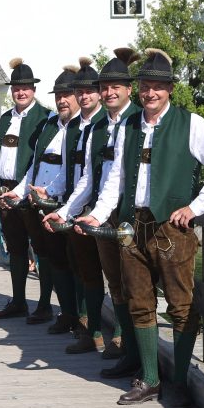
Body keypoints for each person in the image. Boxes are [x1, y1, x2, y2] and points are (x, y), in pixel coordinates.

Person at [89, 49, 204, 408]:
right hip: (131, 225)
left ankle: (181, 383)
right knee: (139, 304)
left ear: (169, 90)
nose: (149, 92)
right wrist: (98, 214)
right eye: (144, 86)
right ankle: (151, 380)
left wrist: (196, 207)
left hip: (171, 229)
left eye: (157, 86)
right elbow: (116, 179)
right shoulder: (129, 125)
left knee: (180, 306)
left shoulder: (192, 123)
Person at [45, 50, 141, 356]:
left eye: (114, 87)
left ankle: (128, 343)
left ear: (129, 89)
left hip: (133, 216)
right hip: (100, 214)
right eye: (104, 86)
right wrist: (64, 211)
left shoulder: (139, 121)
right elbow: (90, 178)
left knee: (133, 283)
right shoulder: (96, 128)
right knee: (107, 278)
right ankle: (108, 338)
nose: (106, 92)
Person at [1, 65, 79, 327]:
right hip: (36, 198)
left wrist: (50, 193)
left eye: (67, 94)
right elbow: (36, 165)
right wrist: (19, 190)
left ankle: (67, 313)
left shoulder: (79, 128)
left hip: (65, 203)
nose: (62, 99)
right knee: (47, 254)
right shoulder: (49, 124)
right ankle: (64, 313)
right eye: (58, 94)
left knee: (69, 261)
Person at [0, 58, 50, 319]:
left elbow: (40, 159)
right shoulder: (5, 119)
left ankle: (45, 304)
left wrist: (22, 189)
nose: (21, 92)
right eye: (16, 87)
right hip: (6, 191)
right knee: (15, 248)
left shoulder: (45, 118)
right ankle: (18, 301)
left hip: (31, 192)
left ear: (34, 90)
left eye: (25, 87)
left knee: (41, 248)